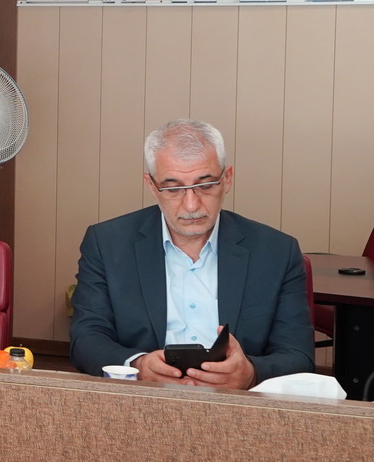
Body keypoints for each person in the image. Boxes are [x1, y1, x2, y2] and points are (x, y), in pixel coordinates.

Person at [69, 119, 314, 387]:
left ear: (227, 179)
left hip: (237, 403)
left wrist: (251, 373)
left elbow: (298, 355)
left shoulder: (276, 251)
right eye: (173, 188)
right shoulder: (107, 243)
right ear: (151, 186)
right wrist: (138, 366)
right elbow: (86, 338)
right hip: (142, 397)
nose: (191, 205)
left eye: (206, 185)